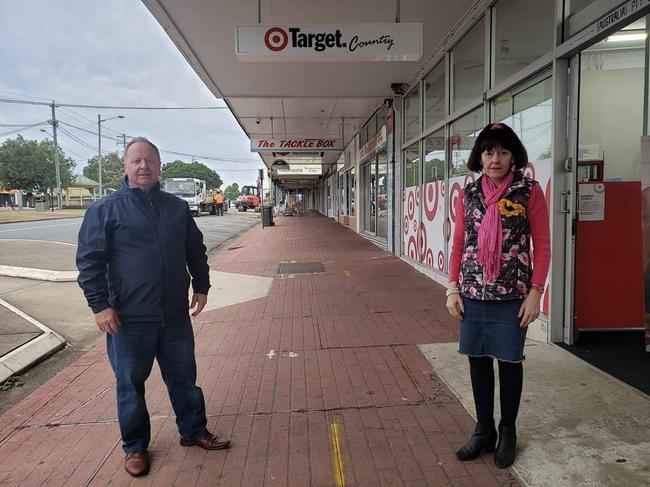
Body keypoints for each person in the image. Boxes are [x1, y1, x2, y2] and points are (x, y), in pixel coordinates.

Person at [76, 137, 230, 478]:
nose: (143, 166)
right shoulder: (105, 210)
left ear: (159, 166)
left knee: (184, 378)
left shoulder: (177, 208)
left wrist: (202, 286)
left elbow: (195, 250)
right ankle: (135, 447)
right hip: (128, 321)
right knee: (130, 384)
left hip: (174, 316)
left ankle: (193, 430)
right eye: (136, 161)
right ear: (125, 167)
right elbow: (88, 262)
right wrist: (100, 306)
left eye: (150, 161)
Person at [445, 123, 550, 469]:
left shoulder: (528, 191)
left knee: (509, 362)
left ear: (513, 156)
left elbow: (544, 246)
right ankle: (483, 429)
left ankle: (508, 431)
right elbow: (460, 242)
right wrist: (452, 288)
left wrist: (536, 293)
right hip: (473, 292)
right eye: (489, 152)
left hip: (512, 295)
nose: (496, 159)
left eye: (503, 152)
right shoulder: (470, 193)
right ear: (480, 156)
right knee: (477, 359)